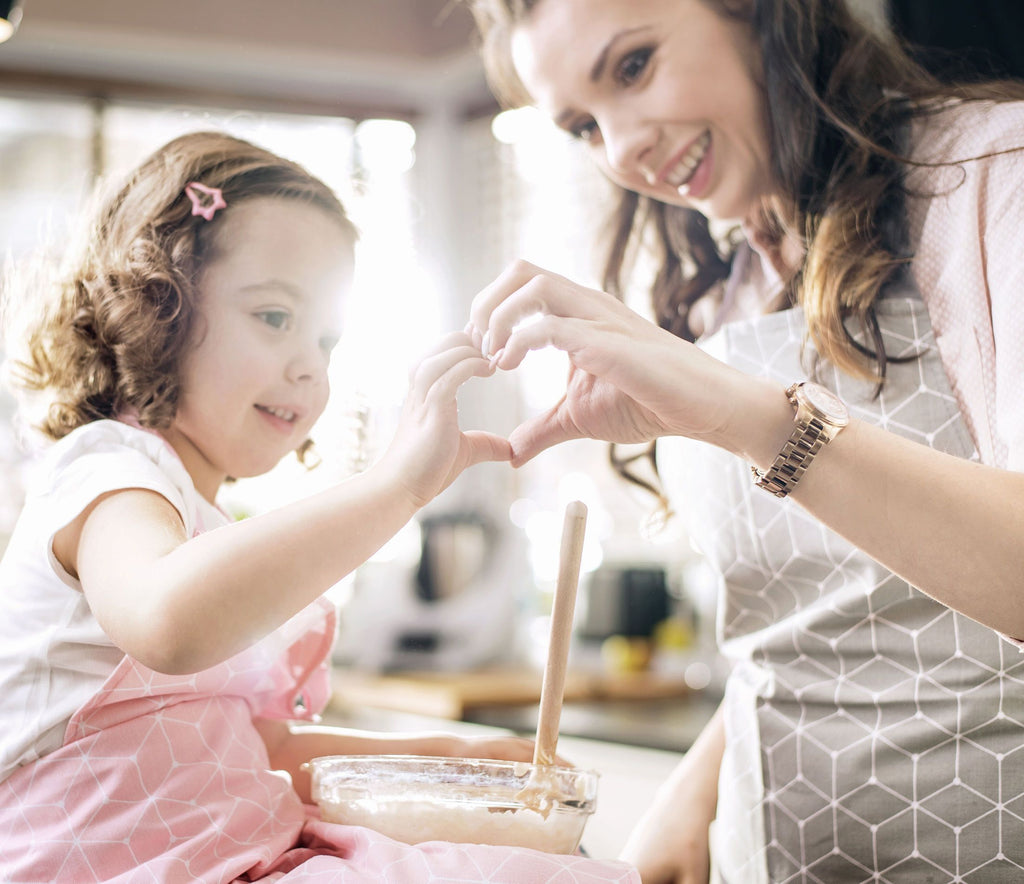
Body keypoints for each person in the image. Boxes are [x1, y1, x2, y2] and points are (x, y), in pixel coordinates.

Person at [463, 0, 1024, 881]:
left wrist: (747, 418)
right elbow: (820, 617)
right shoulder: (732, 287)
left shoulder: (999, 175)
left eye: (634, 65)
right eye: (582, 125)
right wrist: (694, 796)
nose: (622, 148)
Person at [0, 131, 639, 883]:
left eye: (329, 339)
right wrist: (395, 486)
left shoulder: (192, 514)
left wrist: (458, 756)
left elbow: (263, 750)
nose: (309, 365)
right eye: (274, 317)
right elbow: (167, 622)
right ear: (157, 309)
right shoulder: (107, 473)